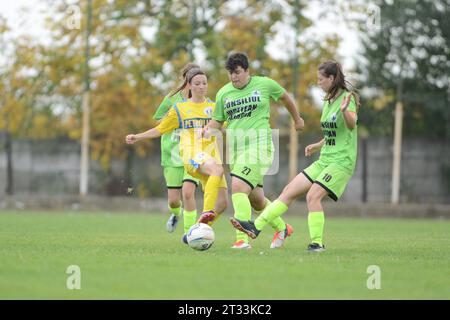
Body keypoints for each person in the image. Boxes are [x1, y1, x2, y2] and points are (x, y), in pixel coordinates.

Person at [230, 60, 360, 252]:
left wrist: (345, 113)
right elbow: (335, 133)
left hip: (341, 162)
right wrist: (317, 145)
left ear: (332, 79)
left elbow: (350, 125)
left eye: (321, 79)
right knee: (289, 190)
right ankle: (255, 228)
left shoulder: (346, 99)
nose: (318, 83)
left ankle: (317, 243)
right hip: (325, 159)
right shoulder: (327, 102)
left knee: (313, 196)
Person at [203, 52, 305, 249]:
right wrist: (207, 130)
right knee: (257, 201)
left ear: (247, 71)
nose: (234, 77)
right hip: (236, 151)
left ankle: (242, 240)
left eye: (238, 72)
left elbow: (285, 97)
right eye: (231, 73)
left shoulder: (264, 84)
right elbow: (218, 120)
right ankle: (283, 228)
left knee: (239, 187)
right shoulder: (224, 93)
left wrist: (297, 119)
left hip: (260, 146)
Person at [126, 68, 228, 243]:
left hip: (211, 156)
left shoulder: (214, 107)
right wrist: (138, 137)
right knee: (214, 173)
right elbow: (160, 129)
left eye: (204, 83)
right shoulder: (180, 108)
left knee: (223, 204)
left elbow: (225, 126)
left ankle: (193, 234)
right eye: (197, 84)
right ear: (188, 85)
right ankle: (205, 215)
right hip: (192, 155)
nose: (202, 87)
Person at [152, 63, 201, 236]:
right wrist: (173, 118)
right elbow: (157, 120)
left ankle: (190, 235)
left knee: (188, 193)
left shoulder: (202, 101)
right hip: (171, 154)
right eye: (189, 79)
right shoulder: (172, 98)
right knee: (174, 200)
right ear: (184, 80)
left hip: (193, 154)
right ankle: (175, 214)